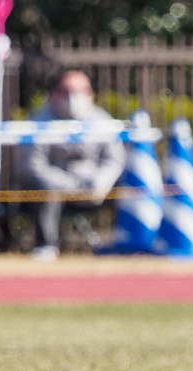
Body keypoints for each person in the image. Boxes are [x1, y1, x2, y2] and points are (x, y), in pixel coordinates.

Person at [17, 71, 126, 260]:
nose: (74, 98)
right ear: (54, 93)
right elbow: (33, 165)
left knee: (128, 185)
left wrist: (99, 183)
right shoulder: (39, 121)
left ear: (90, 94)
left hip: (95, 187)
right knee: (45, 191)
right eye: (66, 91)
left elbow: (115, 160)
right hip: (56, 188)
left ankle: (123, 242)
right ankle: (47, 246)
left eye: (80, 91)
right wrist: (69, 186)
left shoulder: (102, 120)